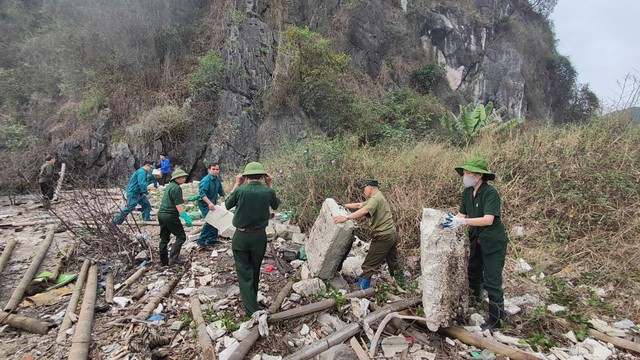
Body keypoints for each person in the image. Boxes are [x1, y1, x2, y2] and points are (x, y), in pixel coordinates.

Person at [441, 157, 509, 330]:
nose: (465, 176)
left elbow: (488, 219)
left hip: (492, 241)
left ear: (479, 175)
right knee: (473, 271)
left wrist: (463, 223)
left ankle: (496, 320)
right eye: (464, 173)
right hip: (476, 240)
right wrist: (449, 222)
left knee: (492, 279)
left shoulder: (490, 193)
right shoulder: (467, 193)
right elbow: (461, 214)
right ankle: (475, 302)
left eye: (469, 173)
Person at [225, 162, 280, 316]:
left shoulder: (241, 190)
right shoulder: (267, 192)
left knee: (243, 271)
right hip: (259, 236)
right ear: (263, 176)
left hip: (241, 236)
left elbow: (227, 204)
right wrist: (270, 184)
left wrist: (237, 183)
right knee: (255, 269)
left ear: (246, 176)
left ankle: (252, 310)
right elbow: (275, 206)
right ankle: (252, 301)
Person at [334, 179, 403, 290]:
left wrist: (346, 218)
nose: (363, 191)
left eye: (364, 188)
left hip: (383, 237)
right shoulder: (377, 197)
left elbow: (364, 210)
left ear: (370, 187)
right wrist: (343, 205)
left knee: (368, 266)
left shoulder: (375, 199)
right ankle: (403, 285)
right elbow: (359, 205)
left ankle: (362, 293)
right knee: (393, 263)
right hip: (391, 235)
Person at [158, 169, 193, 265]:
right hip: (170, 215)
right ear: (177, 178)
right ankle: (173, 258)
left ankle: (163, 261)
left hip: (161, 214)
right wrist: (186, 217)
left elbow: (174, 199)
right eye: (183, 177)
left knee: (164, 238)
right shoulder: (177, 188)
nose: (185, 178)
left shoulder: (170, 186)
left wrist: (190, 198)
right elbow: (178, 205)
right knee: (181, 237)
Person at [195, 162, 226, 247]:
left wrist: (225, 197)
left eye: (217, 169)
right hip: (205, 203)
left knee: (216, 219)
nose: (215, 171)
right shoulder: (206, 180)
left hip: (213, 201)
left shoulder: (217, 179)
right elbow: (202, 194)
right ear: (209, 170)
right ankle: (201, 240)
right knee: (210, 221)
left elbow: (220, 190)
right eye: (213, 169)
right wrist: (209, 203)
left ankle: (212, 240)